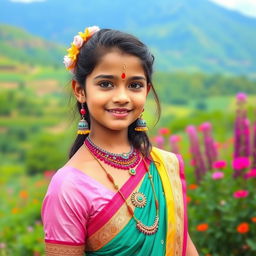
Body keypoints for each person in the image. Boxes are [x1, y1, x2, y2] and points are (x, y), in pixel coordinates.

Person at [41, 26, 199, 256]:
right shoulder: (68, 187)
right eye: (106, 84)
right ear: (80, 90)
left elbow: (184, 247)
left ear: (146, 91)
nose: (122, 98)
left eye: (135, 85)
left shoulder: (163, 166)